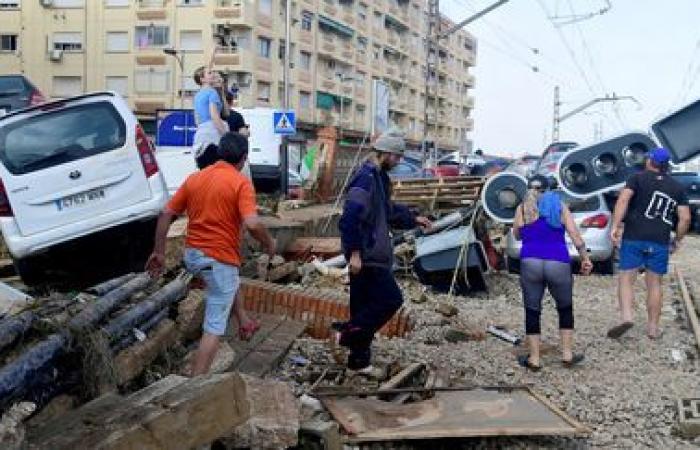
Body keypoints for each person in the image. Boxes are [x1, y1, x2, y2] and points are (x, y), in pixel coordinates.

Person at [146, 132, 275, 376]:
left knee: (229, 279)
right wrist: (269, 243)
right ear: (244, 158)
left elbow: (165, 214)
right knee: (214, 328)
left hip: (193, 256)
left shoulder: (196, 178)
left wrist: (159, 252)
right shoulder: (240, 183)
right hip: (218, 260)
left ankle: (244, 321)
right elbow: (253, 224)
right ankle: (196, 385)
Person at [335, 129, 432, 377]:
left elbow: (387, 211)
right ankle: (346, 332)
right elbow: (349, 218)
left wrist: (414, 218)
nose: (398, 161)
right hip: (368, 256)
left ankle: (358, 362)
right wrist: (354, 253)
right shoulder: (365, 179)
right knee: (391, 300)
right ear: (386, 153)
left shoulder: (380, 178)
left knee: (362, 306)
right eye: (397, 157)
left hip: (373, 253)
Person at [607, 147, 691, 340]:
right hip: (660, 240)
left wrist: (615, 225)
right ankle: (652, 328)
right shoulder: (677, 187)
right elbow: (685, 218)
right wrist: (677, 240)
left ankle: (627, 317)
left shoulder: (636, 178)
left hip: (634, 236)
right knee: (655, 284)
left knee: (627, 279)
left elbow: (623, 200)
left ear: (649, 161)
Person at [512, 175, 593, 371]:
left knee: (532, 309)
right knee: (565, 308)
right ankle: (566, 354)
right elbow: (574, 235)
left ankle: (535, 358)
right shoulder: (560, 206)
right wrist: (585, 258)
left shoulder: (522, 208)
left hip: (531, 261)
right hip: (558, 261)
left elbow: (516, 234)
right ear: (549, 189)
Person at [192, 51, 229, 163]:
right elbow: (214, 116)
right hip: (213, 131)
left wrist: (213, 55)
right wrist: (226, 135)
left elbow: (197, 119)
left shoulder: (197, 95)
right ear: (202, 79)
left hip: (200, 133)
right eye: (210, 73)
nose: (212, 74)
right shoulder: (212, 92)